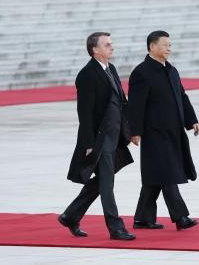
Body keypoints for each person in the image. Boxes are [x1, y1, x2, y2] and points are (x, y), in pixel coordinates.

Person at [58, 32, 136, 240]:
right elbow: (84, 114)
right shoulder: (87, 74)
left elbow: (122, 103)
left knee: (103, 180)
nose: (112, 48)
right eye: (108, 45)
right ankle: (116, 228)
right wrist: (89, 143)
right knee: (106, 184)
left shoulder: (111, 69)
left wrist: (132, 131)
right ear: (95, 49)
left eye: (112, 44)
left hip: (115, 136)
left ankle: (70, 215)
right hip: (100, 139)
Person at [128, 30, 199, 231]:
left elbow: (182, 97)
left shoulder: (171, 70)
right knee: (167, 173)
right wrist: (135, 131)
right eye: (165, 44)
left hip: (173, 131)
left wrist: (192, 120)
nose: (169, 48)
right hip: (154, 133)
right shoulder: (142, 72)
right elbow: (135, 105)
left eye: (170, 45)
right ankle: (181, 217)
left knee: (156, 176)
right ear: (152, 46)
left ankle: (142, 218)